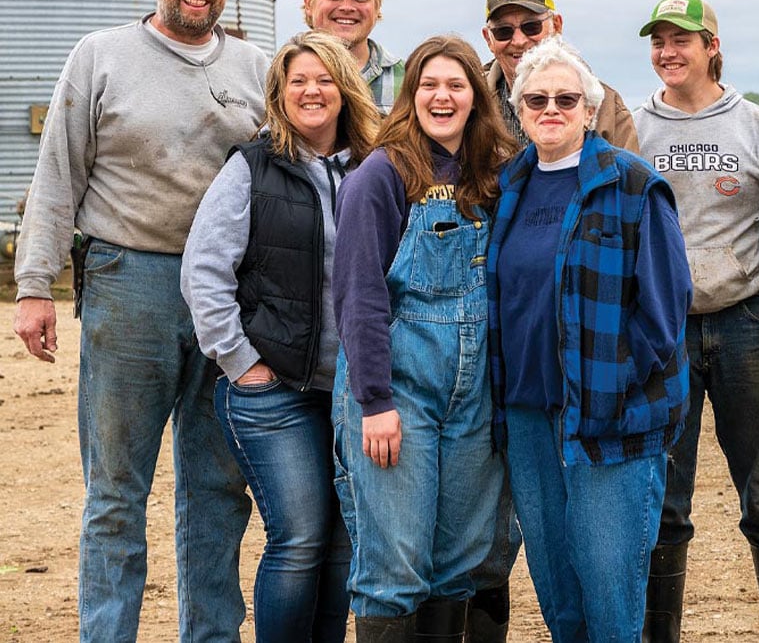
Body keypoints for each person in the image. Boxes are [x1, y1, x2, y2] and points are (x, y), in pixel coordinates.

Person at [12, 0, 268, 642]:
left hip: (227, 291)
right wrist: (36, 284)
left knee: (218, 488)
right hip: (130, 280)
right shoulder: (102, 56)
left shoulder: (255, 68)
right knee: (117, 491)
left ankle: (209, 635)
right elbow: (58, 170)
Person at [486, 36, 692, 642]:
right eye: (537, 99)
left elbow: (666, 309)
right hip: (527, 417)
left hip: (610, 420)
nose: (551, 109)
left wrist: (615, 386)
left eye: (566, 99)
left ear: (590, 108)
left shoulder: (632, 185)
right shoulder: (510, 186)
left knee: (609, 593)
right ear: (519, 110)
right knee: (557, 592)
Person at [180, 31, 380, 641]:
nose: (311, 91)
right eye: (298, 81)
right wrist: (240, 360)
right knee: (299, 539)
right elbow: (203, 271)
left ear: (345, 89)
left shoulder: (380, 167)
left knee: (346, 542)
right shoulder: (252, 166)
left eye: (324, 79)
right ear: (280, 93)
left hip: (355, 392)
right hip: (276, 392)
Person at [633, 0, 759, 642]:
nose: (669, 52)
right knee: (664, 501)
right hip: (663, 331)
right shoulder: (633, 128)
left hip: (742, 323)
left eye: (683, 40)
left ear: (712, 46)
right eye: (659, 41)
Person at [332, 35, 516, 642]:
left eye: (456, 85)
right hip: (400, 392)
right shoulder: (379, 175)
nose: (443, 96)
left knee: (458, 561)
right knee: (396, 563)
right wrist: (375, 402)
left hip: (474, 398)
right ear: (410, 94)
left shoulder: (498, 172)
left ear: (476, 97)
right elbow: (359, 294)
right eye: (429, 85)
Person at [481, 0, 638, 151]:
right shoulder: (470, 104)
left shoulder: (607, 107)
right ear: (488, 39)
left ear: (557, 26)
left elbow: (631, 176)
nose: (519, 41)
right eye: (503, 31)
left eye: (531, 27)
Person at [303, 0, 404, 114]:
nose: (347, 7)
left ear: (377, 7)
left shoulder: (408, 80)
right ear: (309, 4)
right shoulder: (282, 75)